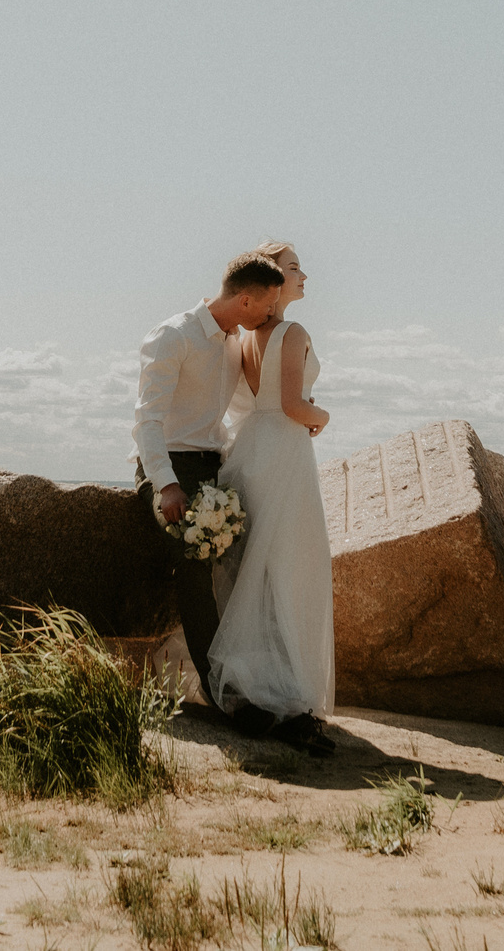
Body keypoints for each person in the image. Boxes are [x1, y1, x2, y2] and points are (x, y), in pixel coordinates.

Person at [132, 249, 288, 725]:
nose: (271, 314)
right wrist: (166, 486)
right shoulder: (173, 335)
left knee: (249, 561)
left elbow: (250, 404)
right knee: (195, 567)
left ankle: (257, 680)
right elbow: (147, 421)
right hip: (170, 469)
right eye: (268, 306)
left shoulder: (234, 343)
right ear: (245, 301)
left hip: (214, 468)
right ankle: (222, 695)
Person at [206, 241, 337, 755]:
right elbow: (291, 406)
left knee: (256, 570)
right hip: (284, 453)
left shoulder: (245, 339)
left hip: (252, 450)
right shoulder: (293, 332)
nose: (303, 276)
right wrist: (322, 417)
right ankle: (289, 691)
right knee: (292, 569)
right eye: (293, 268)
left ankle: (261, 682)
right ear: (274, 283)